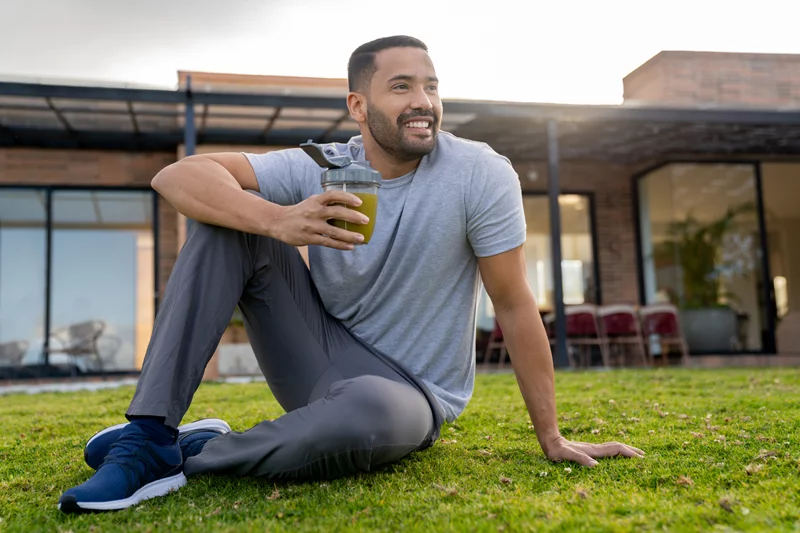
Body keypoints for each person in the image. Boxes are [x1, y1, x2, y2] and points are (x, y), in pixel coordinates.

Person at [58, 35, 644, 514]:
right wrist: (278, 220)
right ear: (358, 107)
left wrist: (551, 435)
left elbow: (514, 304)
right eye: (401, 87)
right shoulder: (323, 165)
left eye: (431, 86)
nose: (423, 101)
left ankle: (192, 452)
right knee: (224, 219)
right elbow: (176, 176)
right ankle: (149, 431)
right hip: (319, 357)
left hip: (411, 394)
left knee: (368, 414)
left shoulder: (480, 174)